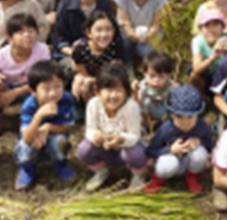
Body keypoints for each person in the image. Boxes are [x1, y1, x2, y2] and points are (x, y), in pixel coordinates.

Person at [78, 61, 148, 191]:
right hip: (105, 148)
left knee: (136, 152)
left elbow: (135, 136)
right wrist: (95, 136)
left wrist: (120, 139)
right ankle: (101, 171)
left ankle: (138, 175)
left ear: (126, 92)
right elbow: (90, 129)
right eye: (109, 90)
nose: (113, 96)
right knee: (84, 149)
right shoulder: (93, 104)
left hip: (124, 150)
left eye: (118, 90)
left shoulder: (131, 107)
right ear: (97, 91)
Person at [0, 13, 51, 140]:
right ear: (10, 38)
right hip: (7, 86)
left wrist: (15, 93)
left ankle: (39, 119)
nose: (27, 35)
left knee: (46, 86)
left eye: (31, 31)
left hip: (32, 87)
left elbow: (44, 78)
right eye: (20, 32)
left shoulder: (42, 50)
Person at [15, 60, 77, 190]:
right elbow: (26, 137)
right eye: (46, 88)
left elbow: (67, 126)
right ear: (33, 90)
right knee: (25, 146)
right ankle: (27, 169)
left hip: (54, 136)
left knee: (59, 141)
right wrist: (38, 116)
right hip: (33, 138)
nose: (53, 93)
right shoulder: (30, 104)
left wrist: (48, 128)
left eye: (57, 86)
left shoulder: (66, 99)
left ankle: (61, 163)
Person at [144, 85, 214, 194]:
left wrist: (199, 142)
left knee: (200, 154)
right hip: (171, 161)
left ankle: (192, 176)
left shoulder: (201, 126)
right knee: (168, 164)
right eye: (179, 117)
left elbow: (209, 145)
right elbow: (151, 150)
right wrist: (170, 150)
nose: (185, 122)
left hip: (189, 162)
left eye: (190, 117)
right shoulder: (166, 129)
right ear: (172, 115)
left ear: (198, 115)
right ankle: (158, 178)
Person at [52, 0, 118, 66]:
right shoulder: (66, 5)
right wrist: (75, 53)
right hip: (70, 54)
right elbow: (58, 37)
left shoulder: (105, 4)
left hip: (99, 52)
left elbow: (112, 32)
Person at [70, 10, 123, 102]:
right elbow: (81, 72)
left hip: (107, 79)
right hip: (87, 78)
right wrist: (85, 79)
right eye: (98, 30)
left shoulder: (116, 48)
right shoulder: (80, 50)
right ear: (89, 32)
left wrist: (94, 81)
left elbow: (114, 73)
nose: (104, 34)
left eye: (108, 29)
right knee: (79, 82)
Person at [190, 8, 227, 91]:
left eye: (216, 25)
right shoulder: (198, 41)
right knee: (193, 75)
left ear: (222, 28)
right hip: (207, 77)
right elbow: (196, 69)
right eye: (207, 25)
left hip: (223, 78)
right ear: (200, 29)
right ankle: (200, 98)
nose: (211, 29)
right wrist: (213, 56)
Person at [136, 51, 176, 128]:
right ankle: (146, 124)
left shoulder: (171, 85)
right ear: (145, 74)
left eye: (161, 77)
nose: (156, 80)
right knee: (145, 102)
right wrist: (135, 92)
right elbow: (139, 102)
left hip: (165, 109)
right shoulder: (143, 86)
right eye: (152, 76)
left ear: (169, 75)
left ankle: (167, 123)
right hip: (150, 109)